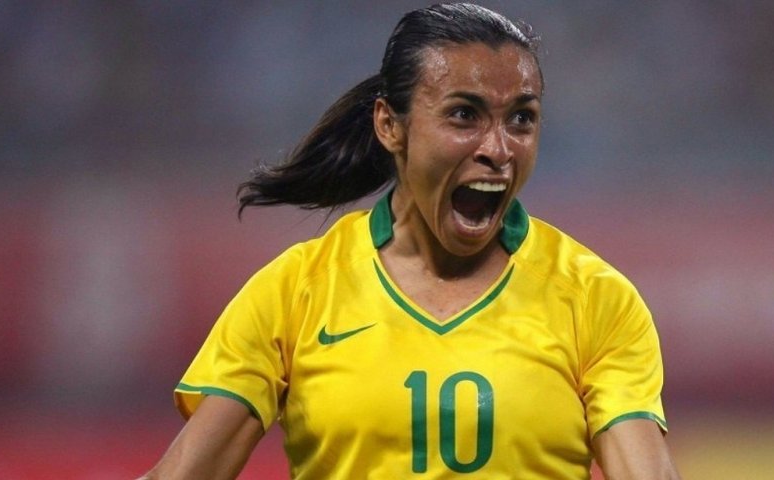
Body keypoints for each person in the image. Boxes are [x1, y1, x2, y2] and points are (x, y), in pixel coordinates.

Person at [144, 3, 679, 479]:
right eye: (464, 115)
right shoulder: (296, 291)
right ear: (389, 125)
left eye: (521, 118)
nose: (499, 147)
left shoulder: (596, 300)